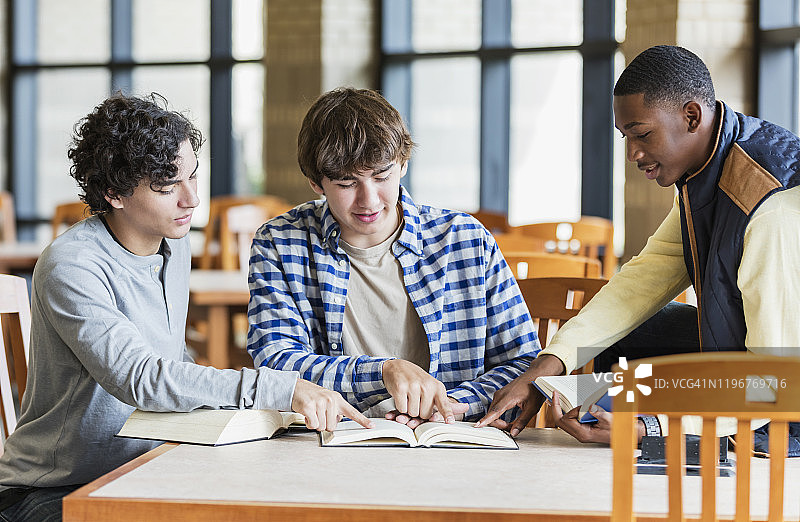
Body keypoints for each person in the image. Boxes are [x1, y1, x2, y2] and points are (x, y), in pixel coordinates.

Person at [0, 93, 372, 522]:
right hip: (55, 489)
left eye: (193, 176)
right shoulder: (72, 264)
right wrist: (279, 388)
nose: (192, 199)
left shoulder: (172, 246)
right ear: (114, 193)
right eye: (167, 186)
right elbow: (141, 377)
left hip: (146, 468)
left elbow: (173, 360)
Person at [477, 45, 800, 451]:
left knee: (646, 406)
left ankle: (648, 439)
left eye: (642, 134)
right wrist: (548, 367)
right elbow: (641, 283)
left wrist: (652, 428)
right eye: (626, 137)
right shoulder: (708, 174)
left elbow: (777, 381)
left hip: (786, 398)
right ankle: (620, 430)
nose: (632, 153)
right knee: (632, 331)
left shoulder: (769, 208)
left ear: (692, 116)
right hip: (751, 370)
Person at [246, 87, 539, 427]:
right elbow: (277, 365)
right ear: (316, 183)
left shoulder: (465, 240)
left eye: (382, 176)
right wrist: (384, 372)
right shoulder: (280, 242)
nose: (369, 200)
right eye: (346, 184)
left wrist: (448, 407)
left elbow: (523, 364)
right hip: (335, 439)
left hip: (451, 439)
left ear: (403, 164)